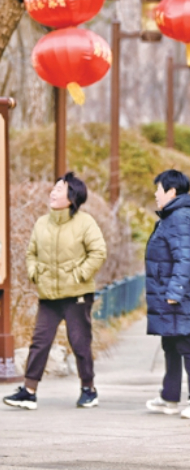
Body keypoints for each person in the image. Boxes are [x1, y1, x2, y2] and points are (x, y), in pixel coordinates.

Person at [3, 172, 107, 410]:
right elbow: (31, 253)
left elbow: (98, 252)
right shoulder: (42, 223)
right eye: (54, 188)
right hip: (49, 295)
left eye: (60, 189)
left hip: (77, 295)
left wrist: (79, 275)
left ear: (72, 197)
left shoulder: (85, 222)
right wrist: (35, 273)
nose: (53, 191)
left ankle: (88, 389)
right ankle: (29, 391)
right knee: (40, 342)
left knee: (80, 342)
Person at [144, 170, 190, 419]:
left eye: (158, 189)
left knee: (186, 345)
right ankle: (170, 397)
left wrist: (176, 291)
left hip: (179, 296)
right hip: (170, 293)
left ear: (171, 192)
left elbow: (185, 257)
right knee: (170, 343)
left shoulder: (179, 217)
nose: (155, 194)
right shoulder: (172, 216)